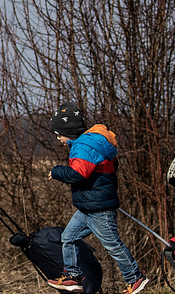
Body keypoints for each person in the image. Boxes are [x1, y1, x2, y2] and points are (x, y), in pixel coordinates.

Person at [46, 102, 149, 294]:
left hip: (99, 208)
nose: (58, 138)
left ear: (69, 130)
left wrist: (57, 171)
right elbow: (110, 168)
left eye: (59, 134)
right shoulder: (89, 143)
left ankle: (135, 278)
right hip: (88, 206)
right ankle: (73, 276)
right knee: (68, 238)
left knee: (112, 245)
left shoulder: (85, 146)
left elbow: (78, 174)